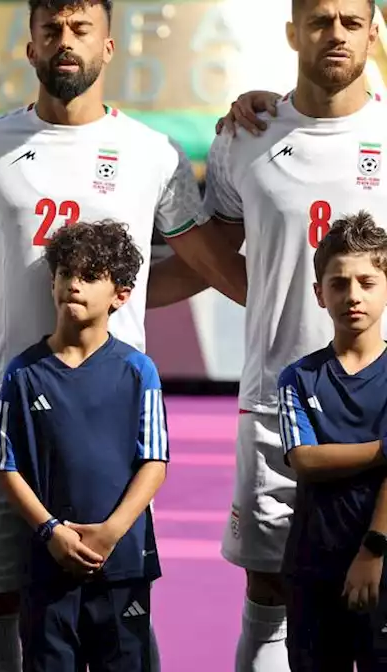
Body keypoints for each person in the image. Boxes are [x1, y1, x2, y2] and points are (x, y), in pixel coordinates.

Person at [0, 1, 209, 667]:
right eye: (51, 30)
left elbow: (208, 266)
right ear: (28, 47)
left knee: (118, 599)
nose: (65, 42)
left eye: (81, 30)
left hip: (111, 419)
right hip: (3, 408)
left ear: (109, 47)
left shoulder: (153, 154)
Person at [158, 2, 387, 669]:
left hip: (381, 401)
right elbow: (214, 258)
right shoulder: (245, 134)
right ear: (292, 32)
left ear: (374, 31)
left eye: (351, 19)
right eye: (320, 19)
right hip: (277, 403)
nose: (336, 33)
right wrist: (116, 299)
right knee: (269, 594)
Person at [0, 220, 168, 671]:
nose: (73, 284)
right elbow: (5, 465)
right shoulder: (23, 373)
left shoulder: (138, 370)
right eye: (66, 273)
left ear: (120, 295)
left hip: (122, 562)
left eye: (90, 276)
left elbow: (155, 462)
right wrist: (51, 532)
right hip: (49, 564)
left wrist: (111, 532)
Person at [276, 212, 387, 671]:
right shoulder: (298, 377)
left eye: (366, 281)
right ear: (320, 294)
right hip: (312, 566)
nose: (353, 295)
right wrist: (383, 450)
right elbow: (305, 459)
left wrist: (374, 549)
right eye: (338, 284)